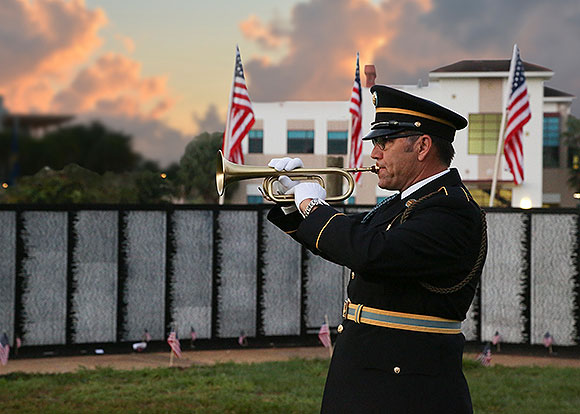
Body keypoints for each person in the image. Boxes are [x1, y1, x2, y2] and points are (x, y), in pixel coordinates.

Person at [267, 85, 487, 414]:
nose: (374, 154)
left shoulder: (451, 208)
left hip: (406, 390)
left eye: (384, 142)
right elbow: (350, 239)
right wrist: (292, 202)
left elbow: (370, 251)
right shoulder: (409, 203)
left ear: (423, 146)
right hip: (374, 377)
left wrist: (313, 206)